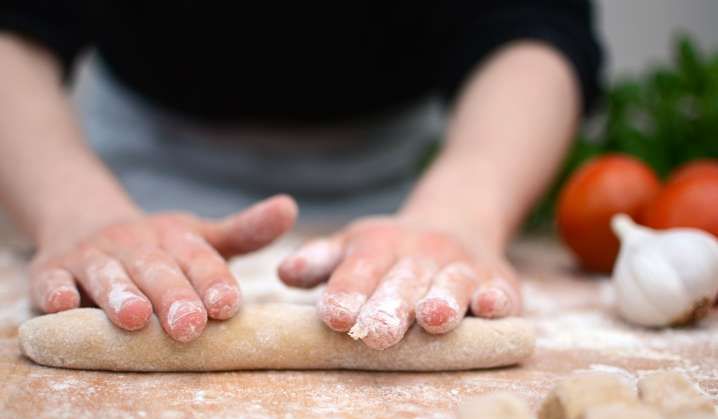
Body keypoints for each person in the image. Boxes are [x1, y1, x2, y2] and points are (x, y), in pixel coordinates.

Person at [0, 3, 602, 350]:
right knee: (137, 302)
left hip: (413, 184)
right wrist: (74, 209)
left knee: (410, 301)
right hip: (123, 174)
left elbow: (535, 23)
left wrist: (464, 211)